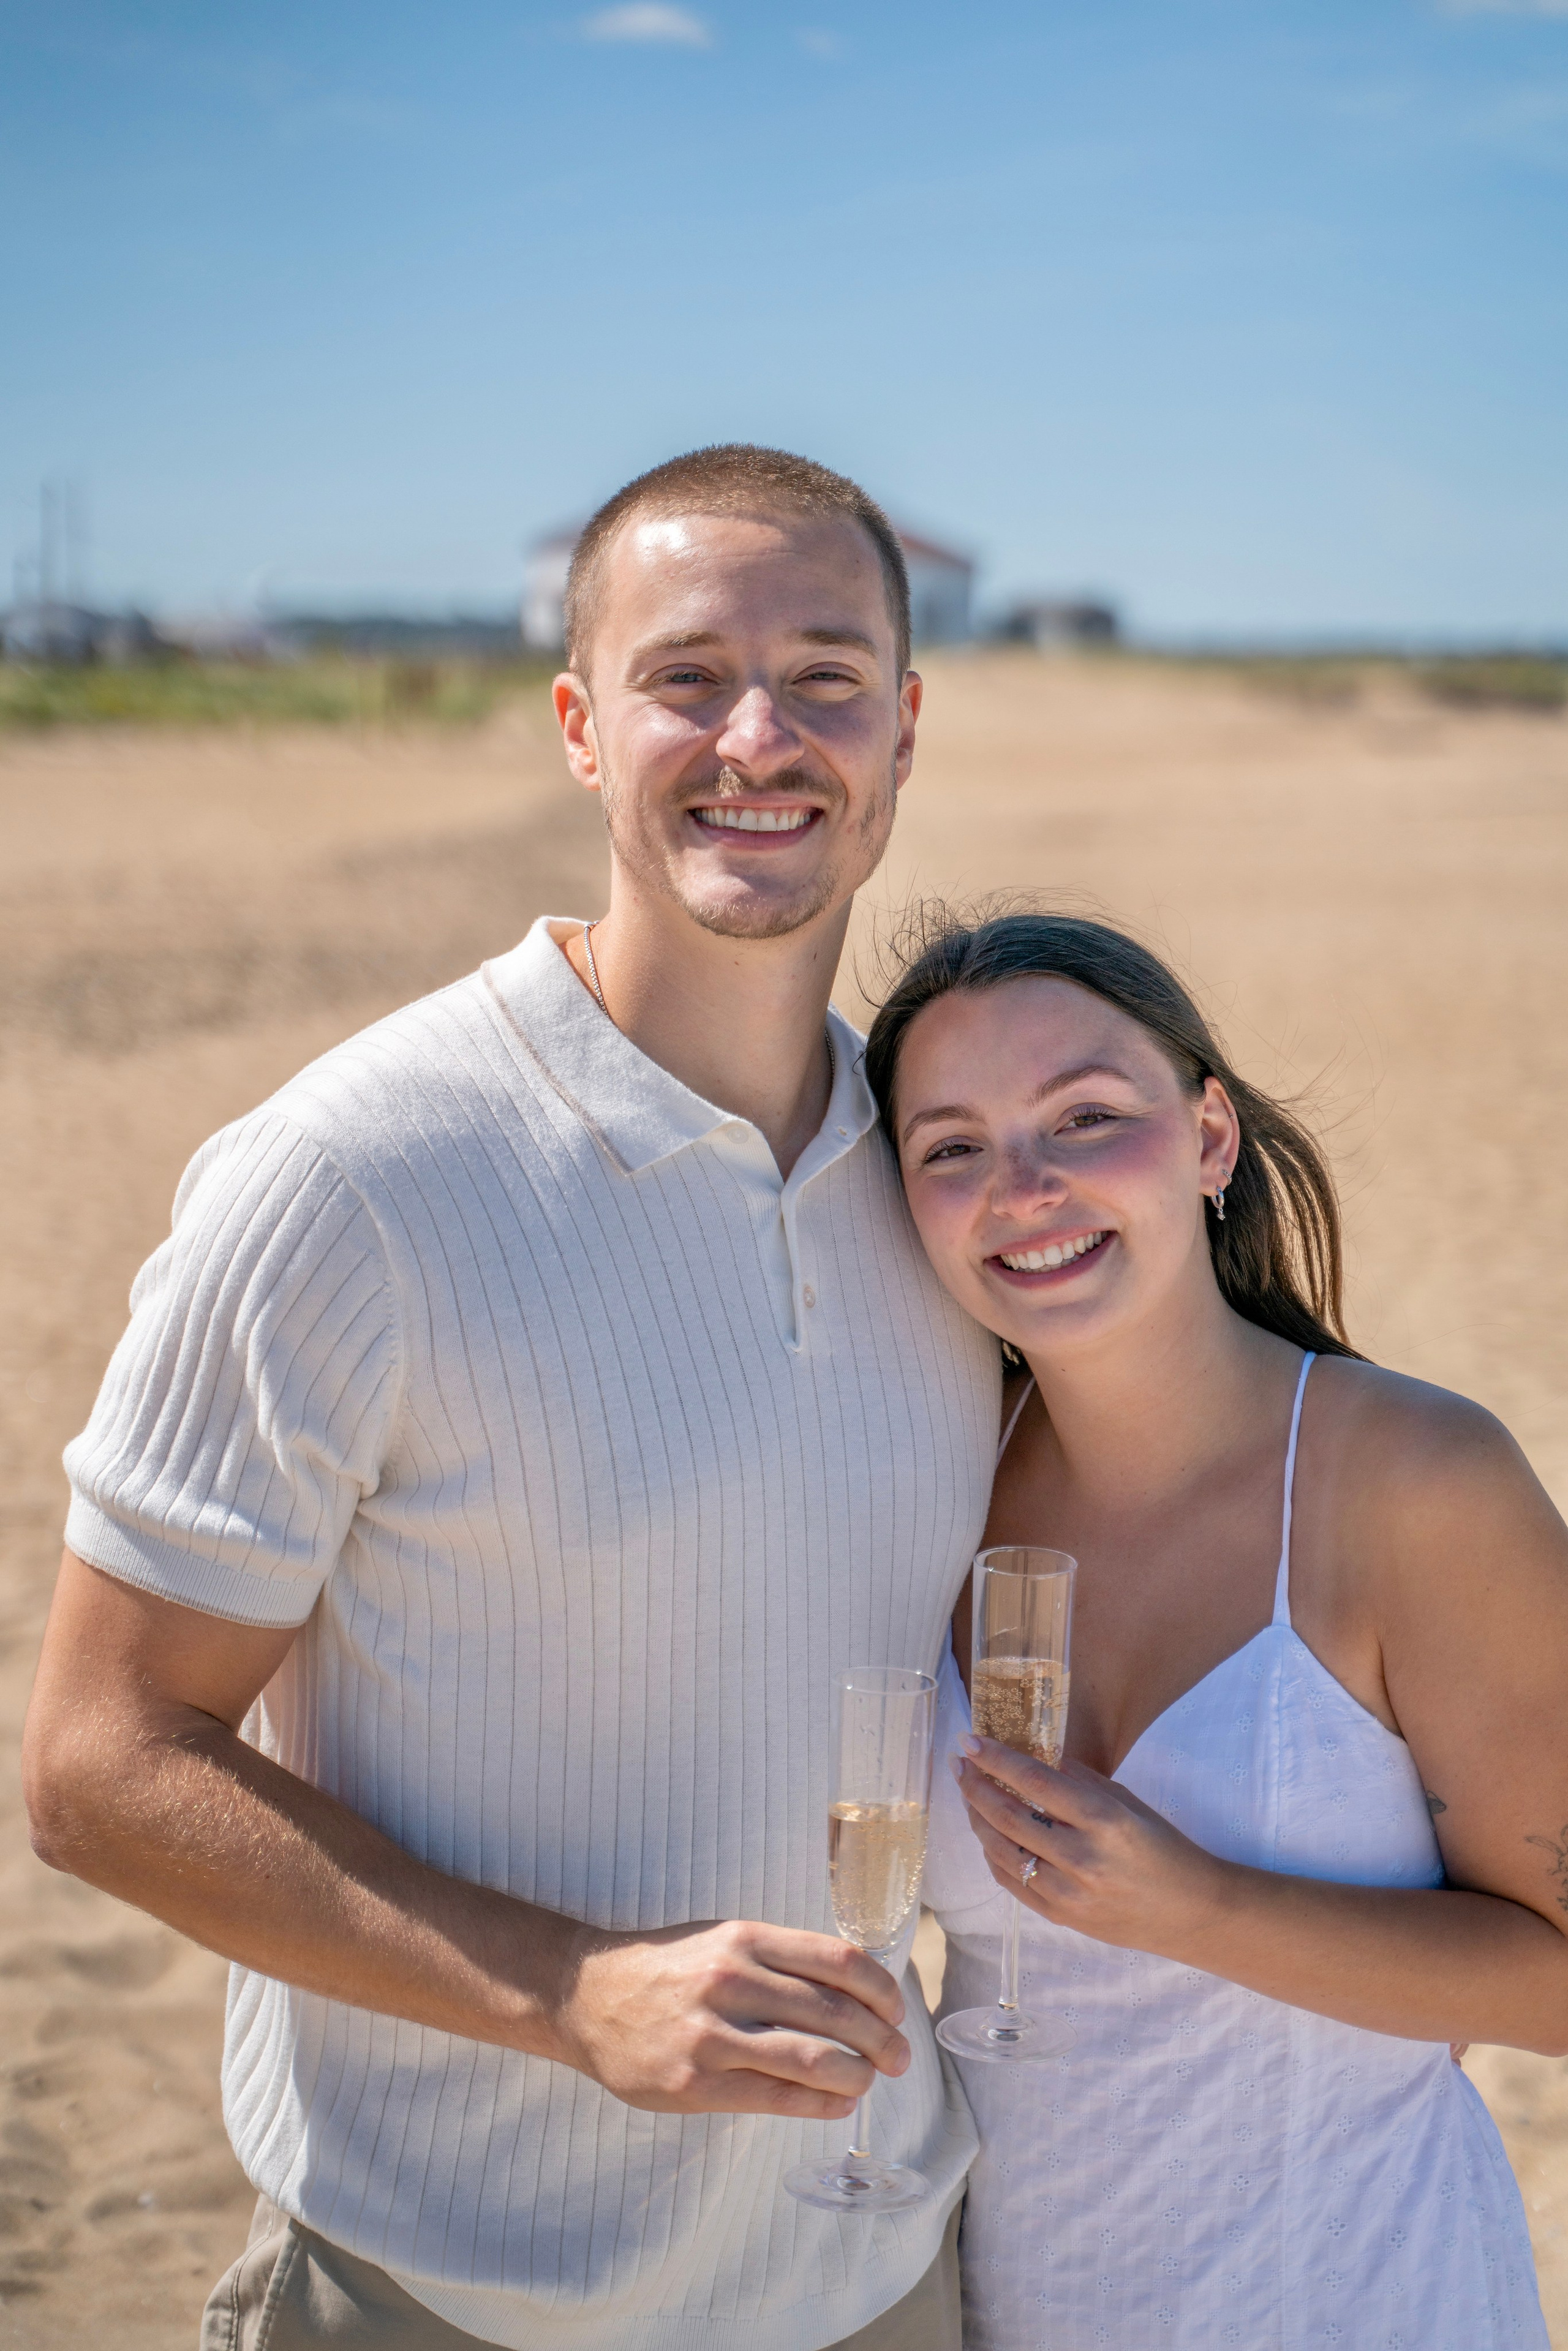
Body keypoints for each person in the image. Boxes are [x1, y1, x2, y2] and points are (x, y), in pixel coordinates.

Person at [22, 447, 1002, 2351]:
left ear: (904, 726)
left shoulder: (955, 1177)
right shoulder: (353, 1178)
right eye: (685, 674)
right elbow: (96, 1764)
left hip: (877, 2273)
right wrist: (574, 1989)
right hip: (440, 2291)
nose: (757, 735)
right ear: (577, 724)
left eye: (824, 675)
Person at [864, 907, 1562, 2350]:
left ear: (1208, 1139)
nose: (1025, 1187)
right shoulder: (925, 1482)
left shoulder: (1411, 1482)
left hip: (1366, 2301)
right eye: (951, 1146)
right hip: (1022, 2305)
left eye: (1086, 1116)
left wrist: (1196, 1907)